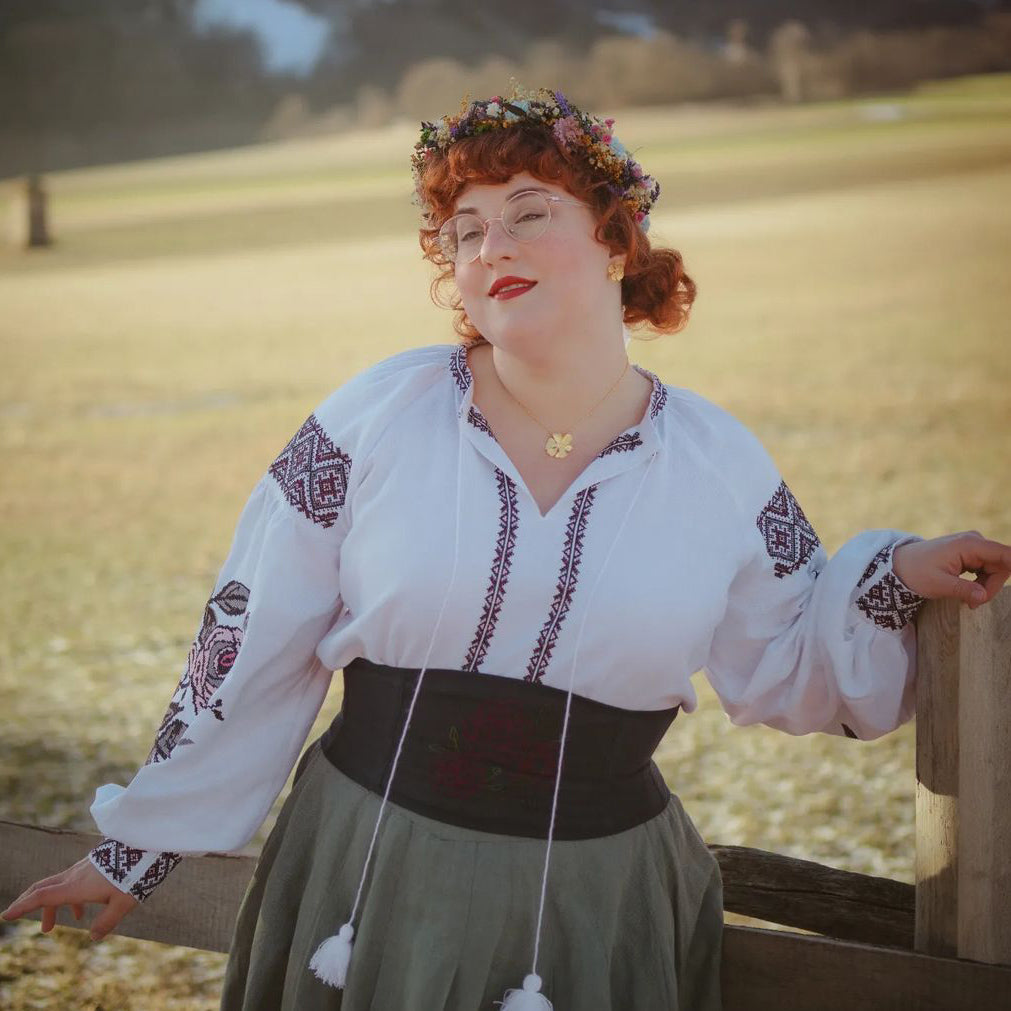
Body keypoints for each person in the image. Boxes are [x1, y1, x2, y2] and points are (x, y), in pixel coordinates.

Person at [3, 84, 1010, 1011]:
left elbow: (790, 662)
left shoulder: (719, 465)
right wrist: (141, 849)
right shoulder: (378, 417)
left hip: (595, 896)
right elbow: (251, 633)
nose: (491, 246)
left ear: (617, 245)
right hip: (368, 871)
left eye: (530, 212)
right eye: (466, 230)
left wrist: (891, 580)